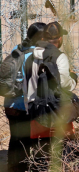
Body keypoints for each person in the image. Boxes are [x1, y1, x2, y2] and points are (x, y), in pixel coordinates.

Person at [24, 21, 77, 171]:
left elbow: (27, 88)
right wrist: (74, 79)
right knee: (61, 158)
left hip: (38, 114)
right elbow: (65, 85)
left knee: (41, 158)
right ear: (60, 39)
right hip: (58, 113)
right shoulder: (60, 57)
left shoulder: (31, 58)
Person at [4, 22, 45, 172]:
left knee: (15, 140)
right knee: (26, 143)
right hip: (26, 106)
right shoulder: (39, 54)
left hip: (10, 103)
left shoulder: (17, 49)